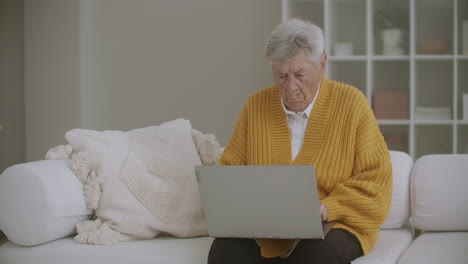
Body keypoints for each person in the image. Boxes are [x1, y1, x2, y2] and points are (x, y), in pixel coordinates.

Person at [208, 18, 392, 264]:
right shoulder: (256, 106)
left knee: (315, 257)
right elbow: (230, 171)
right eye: (281, 75)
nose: (290, 87)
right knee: (223, 251)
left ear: (322, 64)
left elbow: (376, 184)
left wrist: (326, 208)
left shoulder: (352, 104)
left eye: (300, 74)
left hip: (334, 225)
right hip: (266, 230)